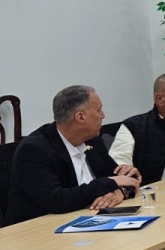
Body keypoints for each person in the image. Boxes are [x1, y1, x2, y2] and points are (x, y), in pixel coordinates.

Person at [5, 85, 141, 225]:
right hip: (40, 229)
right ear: (80, 117)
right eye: (99, 110)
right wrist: (110, 182)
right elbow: (56, 200)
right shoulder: (34, 150)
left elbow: (125, 179)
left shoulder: (92, 139)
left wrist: (120, 192)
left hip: (91, 221)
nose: (103, 116)